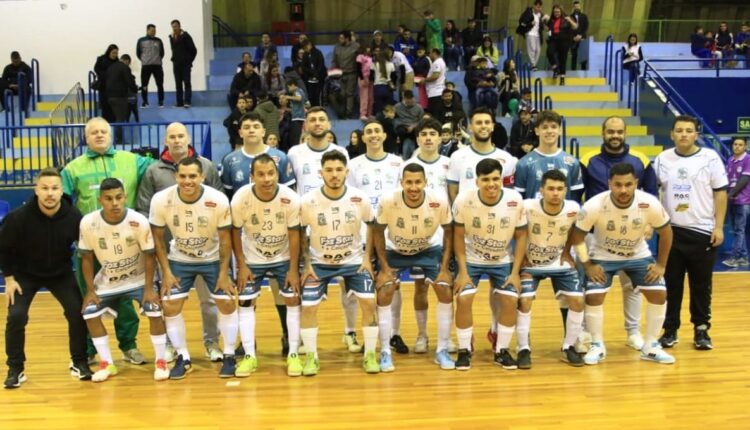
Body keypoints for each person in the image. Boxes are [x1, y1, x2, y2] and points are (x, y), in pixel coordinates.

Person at [61, 117, 153, 365]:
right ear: (86, 138)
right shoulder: (72, 169)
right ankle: (91, 349)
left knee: (124, 299)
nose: (99, 135)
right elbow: (62, 205)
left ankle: (129, 346)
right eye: (94, 132)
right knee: (89, 297)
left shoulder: (133, 160)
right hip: (91, 246)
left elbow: (160, 170)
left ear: (111, 135)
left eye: (104, 131)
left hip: (126, 244)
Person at [572, 162, 676, 365]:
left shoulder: (649, 202)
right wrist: (588, 265)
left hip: (637, 255)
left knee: (659, 293)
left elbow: (666, 232)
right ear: (609, 183)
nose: (623, 190)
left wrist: (661, 265)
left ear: (636, 183)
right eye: (618, 184)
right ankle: (597, 344)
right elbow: (577, 237)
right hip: (603, 255)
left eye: (628, 184)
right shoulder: (594, 204)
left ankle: (651, 346)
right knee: (593, 296)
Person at [135, 122, 223, 362]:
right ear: (166, 141)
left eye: (180, 136)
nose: (176, 140)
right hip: (170, 252)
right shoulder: (153, 171)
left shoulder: (207, 166)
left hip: (207, 249)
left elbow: (220, 202)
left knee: (209, 301)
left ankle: (212, 342)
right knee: (170, 301)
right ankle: (172, 346)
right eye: (172, 137)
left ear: (188, 138)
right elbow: (143, 209)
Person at [1, 168, 91, 388]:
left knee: (77, 312)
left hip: (60, 274)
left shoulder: (74, 216)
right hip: (24, 275)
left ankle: (79, 361)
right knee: (16, 316)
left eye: (54, 188)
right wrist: (10, 279)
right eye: (45, 188)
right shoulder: (18, 218)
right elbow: (4, 249)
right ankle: (16, 368)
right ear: (36, 190)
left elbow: (86, 249)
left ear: (61, 191)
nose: (49, 193)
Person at [148, 158, 236, 379]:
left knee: (226, 301)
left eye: (193, 176)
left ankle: (229, 354)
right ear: (176, 176)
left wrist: (224, 274)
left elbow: (226, 240)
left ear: (202, 177)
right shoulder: (161, 199)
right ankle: (183, 357)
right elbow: (157, 239)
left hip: (213, 257)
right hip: (180, 258)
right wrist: (166, 272)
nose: (187, 181)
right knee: (170, 304)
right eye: (183, 176)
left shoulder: (217, 199)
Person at [580, 116, 659, 350]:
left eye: (619, 132)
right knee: (593, 286)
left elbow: (652, 194)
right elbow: (576, 196)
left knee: (632, 286)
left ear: (625, 133)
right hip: (596, 237)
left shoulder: (640, 160)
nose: (615, 136)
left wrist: (650, 224)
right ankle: (588, 334)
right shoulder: (588, 160)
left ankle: (633, 333)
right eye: (610, 132)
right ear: (602, 133)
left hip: (633, 236)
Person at [298, 150, 379, 375]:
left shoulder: (358, 198)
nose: (334, 175)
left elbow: (372, 224)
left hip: (354, 261)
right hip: (319, 263)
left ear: (346, 172)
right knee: (308, 307)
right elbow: (299, 230)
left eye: (339, 170)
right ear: (320, 172)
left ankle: (370, 354)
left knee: (370, 303)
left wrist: (366, 258)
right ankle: (312, 358)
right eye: (329, 170)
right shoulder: (308, 201)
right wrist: (307, 263)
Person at [79, 178, 168, 382]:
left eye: (119, 197)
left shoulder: (138, 221)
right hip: (107, 282)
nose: (115, 203)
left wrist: (148, 288)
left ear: (125, 196)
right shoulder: (88, 223)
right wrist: (90, 290)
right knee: (90, 315)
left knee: (154, 311)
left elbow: (149, 255)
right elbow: (85, 258)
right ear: (100, 199)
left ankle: (161, 361)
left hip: (138, 280)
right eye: (109, 199)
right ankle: (107, 363)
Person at [654, 115, 728, 350]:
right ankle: (670, 329)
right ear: (672, 134)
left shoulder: (710, 158)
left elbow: (720, 193)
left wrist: (718, 226)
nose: (684, 134)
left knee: (701, 285)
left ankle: (701, 330)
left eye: (689, 130)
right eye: (679, 130)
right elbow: (652, 193)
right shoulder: (662, 160)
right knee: (671, 284)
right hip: (671, 232)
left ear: (696, 134)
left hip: (702, 231)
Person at [374, 163, 454, 370]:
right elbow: (377, 231)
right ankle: (384, 351)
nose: (413, 187)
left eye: (418, 182)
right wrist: (383, 268)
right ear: (401, 183)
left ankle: (442, 349)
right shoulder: (388, 200)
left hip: (428, 250)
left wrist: (444, 268)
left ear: (425, 182)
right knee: (384, 291)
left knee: (445, 290)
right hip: (395, 251)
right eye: (408, 182)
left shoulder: (438, 201)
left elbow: (449, 231)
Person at [229, 153, 303, 376]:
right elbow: (235, 231)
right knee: (245, 301)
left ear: (277, 174)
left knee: (292, 298)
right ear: (252, 176)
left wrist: (292, 269)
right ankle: (250, 356)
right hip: (252, 259)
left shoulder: (290, 198)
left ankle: (293, 354)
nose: (267, 178)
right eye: (260, 174)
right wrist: (241, 265)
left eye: (271, 173)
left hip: (283, 257)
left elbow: (295, 235)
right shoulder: (241, 198)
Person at [453, 158, 527, 370]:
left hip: (503, 260)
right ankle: (464, 349)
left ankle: (501, 350)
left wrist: (515, 272)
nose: (491, 184)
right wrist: (463, 272)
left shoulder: (515, 199)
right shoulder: (463, 200)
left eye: (496, 179)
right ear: (477, 181)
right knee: (464, 299)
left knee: (510, 300)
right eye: (486, 179)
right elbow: (458, 236)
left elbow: (521, 236)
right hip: (472, 259)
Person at [347, 120, 405, 353]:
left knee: (393, 284)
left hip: (391, 232)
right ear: (363, 138)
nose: (373, 135)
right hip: (362, 231)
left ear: (384, 135)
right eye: (368, 132)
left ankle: (394, 334)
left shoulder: (397, 162)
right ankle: (360, 334)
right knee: (359, 286)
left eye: (376, 131)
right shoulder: (353, 165)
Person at [518, 170, 584, 368]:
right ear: (542, 190)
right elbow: (516, 232)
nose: (555, 193)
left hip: (559, 263)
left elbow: (575, 230)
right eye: (551, 189)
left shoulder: (573, 208)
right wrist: (520, 258)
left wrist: (567, 252)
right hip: (532, 263)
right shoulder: (527, 206)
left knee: (577, 300)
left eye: (560, 189)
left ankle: (569, 347)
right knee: (524, 300)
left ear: (565, 190)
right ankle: (523, 349)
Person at [448, 107, 518, 203]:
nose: (483, 126)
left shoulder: (507, 158)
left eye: (487, 122)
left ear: (493, 126)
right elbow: (453, 191)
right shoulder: (457, 157)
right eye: (479, 123)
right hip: (466, 215)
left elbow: (509, 192)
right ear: (470, 127)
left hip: (497, 215)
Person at [514, 110, 584, 202]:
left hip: (563, 216)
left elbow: (575, 198)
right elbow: (519, 198)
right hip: (533, 215)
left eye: (554, 127)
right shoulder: (523, 164)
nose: (549, 131)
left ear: (560, 130)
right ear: (537, 131)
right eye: (544, 127)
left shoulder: (573, 163)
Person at [725, 136, 750, 267]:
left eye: (740, 145)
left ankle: (734, 258)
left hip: (743, 200)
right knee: (737, 229)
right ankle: (744, 257)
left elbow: (744, 180)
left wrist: (731, 194)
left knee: (739, 230)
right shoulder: (730, 160)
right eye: (735, 144)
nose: (737, 147)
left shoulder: (748, 159)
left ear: (745, 146)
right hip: (732, 200)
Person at [545, 4, 578, 85]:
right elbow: (547, 28)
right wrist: (544, 20)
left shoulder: (566, 19)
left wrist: (570, 20)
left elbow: (575, 27)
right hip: (554, 40)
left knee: (562, 59)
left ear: (561, 12)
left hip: (564, 42)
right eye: (555, 12)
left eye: (558, 11)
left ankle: (562, 78)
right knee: (549, 52)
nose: (556, 13)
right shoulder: (551, 20)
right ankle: (555, 69)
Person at [169, 19, 197, 108]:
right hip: (176, 64)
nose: (174, 28)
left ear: (180, 26)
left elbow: (193, 50)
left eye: (176, 26)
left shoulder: (186, 36)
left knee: (187, 83)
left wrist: (189, 60)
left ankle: (187, 101)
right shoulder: (171, 37)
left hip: (185, 64)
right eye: (173, 27)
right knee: (178, 84)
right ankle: (179, 102)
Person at [332, 30, 360, 119]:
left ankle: (349, 113)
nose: (339, 40)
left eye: (341, 38)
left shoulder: (356, 46)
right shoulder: (337, 47)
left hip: (352, 73)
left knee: (349, 93)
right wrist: (334, 73)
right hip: (340, 74)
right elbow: (334, 61)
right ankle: (342, 112)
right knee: (342, 94)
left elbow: (360, 60)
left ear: (347, 39)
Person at [136, 24, 165, 108]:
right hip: (146, 66)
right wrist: (145, 60)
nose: (154, 32)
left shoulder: (159, 40)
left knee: (160, 84)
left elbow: (162, 53)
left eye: (155, 31)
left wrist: (157, 59)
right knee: (144, 84)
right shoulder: (141, 40)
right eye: (152, 30)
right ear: (147, 30)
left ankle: (161, 101)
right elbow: (138, 53)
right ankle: (145, 102)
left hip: (157, 66)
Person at [394, 90, 425, 159]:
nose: (409, 102)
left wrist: (413, 126)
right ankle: (400, 153)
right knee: (400, 132)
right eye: (407, 101)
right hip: (402, 126)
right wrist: (400, 125)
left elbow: (421, 120)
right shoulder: (397, 107)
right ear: (404, 99)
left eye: (411, 100)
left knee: (417, 133)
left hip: (414, 126)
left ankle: (418, 152)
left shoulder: (418, 107)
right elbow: (394, 118)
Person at [93, 45, 119, 122]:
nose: (115, 55)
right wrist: (105, 75)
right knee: (105, 106)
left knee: (113, 106)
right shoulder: (101, 59)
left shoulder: (117, 62)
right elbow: (96, 68)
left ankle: (113, 121)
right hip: (103, 87)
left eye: (116, 53)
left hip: (114, 88)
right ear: (109, 52)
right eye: (113, 53)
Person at [280, 80, 308, 151]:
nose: (289, 89)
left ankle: (296, 150)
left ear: (293, 85)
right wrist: (286, 108)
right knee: (293, 136)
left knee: (295, 137)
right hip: (296, 117)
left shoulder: (297, 91)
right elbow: (296, 108)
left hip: (298, 118)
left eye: (289, 87)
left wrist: (287, 97)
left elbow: (299, 98)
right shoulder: (298, 92)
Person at [517, 0, 545, 71]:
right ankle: (533, 65)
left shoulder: (540, 14)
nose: (539, 9)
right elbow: (522, 23)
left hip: (537, 34)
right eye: (538, 7)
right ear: (534, 6)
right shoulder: (528, 13)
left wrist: (544, 21)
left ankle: (534, 64)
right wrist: (530, 24)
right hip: (530, 33)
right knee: (532, 49)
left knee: (538, 50)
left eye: (540, 7)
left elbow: (542, 25)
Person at [300, 39, 326, 107]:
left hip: (319, 79)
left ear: (309, 45)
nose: (305, 50)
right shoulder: (305, 55)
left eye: (305, 48)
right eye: (304, 48)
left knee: (318, 96)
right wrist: (310, 73)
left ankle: (319, 109)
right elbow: (303, 67)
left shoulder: (318, 53)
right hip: (309, 79)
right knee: (311, 96)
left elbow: (321, 65)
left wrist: (316, 75)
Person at [424, 48, 447, 116]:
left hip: (435, 93)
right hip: (437, 91)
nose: (429, 55)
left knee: (434, 114)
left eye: (430, 53)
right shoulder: (441, 61)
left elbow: (435, 76)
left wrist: (424, 80)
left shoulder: (437, 63)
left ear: (434, 53)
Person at [372, 51, 395, 115]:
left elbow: (371, 75)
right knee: (389, 107)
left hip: (378, 87)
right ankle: (389, 119)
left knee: (378, 106)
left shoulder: (375, 64)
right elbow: (393, 77)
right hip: (388, 87)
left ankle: (378, 120)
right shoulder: (391, 64)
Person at [569, 0, 589, 70]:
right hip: (573, 40)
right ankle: (573, 71)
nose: (577, 8)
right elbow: (569, 29)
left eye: (578, 6)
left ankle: (583, 72)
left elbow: (586, 27)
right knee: (574, 56)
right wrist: (573, 38)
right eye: (575, 6)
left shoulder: (584, 16)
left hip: (582, 39)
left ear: (580, 7)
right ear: (573, 7)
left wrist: (580, 35)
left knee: (583, 56)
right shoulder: (570, 17)